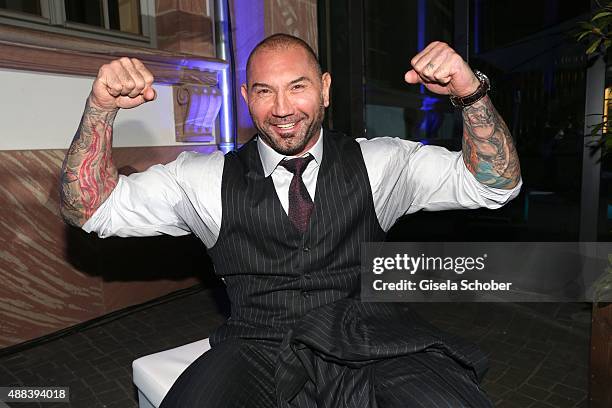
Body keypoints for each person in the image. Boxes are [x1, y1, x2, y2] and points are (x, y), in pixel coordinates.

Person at [60, 34, 521, 407]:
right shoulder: (201, 177)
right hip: (255, 347)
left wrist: (469, 93)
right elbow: (91, 208)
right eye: (264, 90)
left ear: (324, 87)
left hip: (374, 337)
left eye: (297, 86)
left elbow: (495, 185)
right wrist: (101, 108)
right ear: (246, 96)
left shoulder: (381, 162)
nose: (282, 108)